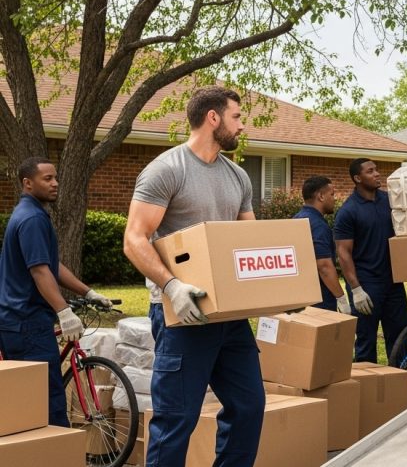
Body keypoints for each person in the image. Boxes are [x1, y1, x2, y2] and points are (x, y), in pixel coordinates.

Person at [123, 85, 265, 466]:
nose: (241, 125)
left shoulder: (238, 177)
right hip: (181, 314)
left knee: (249, 406)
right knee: (176, 421)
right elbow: (134, 239)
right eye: (236, 117)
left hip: (229, 316)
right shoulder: (167, 169)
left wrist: (273, 289)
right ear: (213, 117)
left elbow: (247, 241)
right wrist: (173, 286)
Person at [0, 157, 112, 427]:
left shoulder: (33, 214)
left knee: (29, 398)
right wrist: (64, 311)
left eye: (56, 177)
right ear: (28, 183)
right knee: (46, 400)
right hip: (26, 321)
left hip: (18, 319)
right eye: (47, 179)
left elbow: (53, 265)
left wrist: (88, 292)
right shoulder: (31, 219)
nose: (55, 184)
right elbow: (40, 271)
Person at [334, 158, 407, 364]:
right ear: (357, 178)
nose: (377, 174)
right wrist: (356, 289)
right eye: (370, 171)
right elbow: (343, 252)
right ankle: (368, 392)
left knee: (401, 339)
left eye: (376, 170)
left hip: (394, 282)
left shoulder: (389, 201)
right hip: (367, 285)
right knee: (366, 343)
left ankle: (401, 387)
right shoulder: (348, 212)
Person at [293, 176, 350, 314]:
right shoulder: (318, 225)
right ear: (321, 196)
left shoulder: (296, 220)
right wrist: (341, 298)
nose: (334, 199)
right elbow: (324, 266)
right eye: (332, 194)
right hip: (319, 302)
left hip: (300, 298)